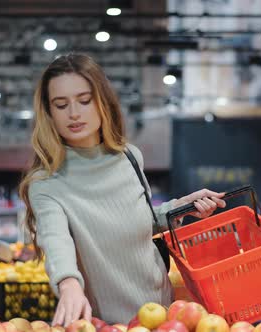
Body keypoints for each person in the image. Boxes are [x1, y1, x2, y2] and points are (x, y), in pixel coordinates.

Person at [18, 53, 226, 327]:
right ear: (49, 113)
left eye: (84, 100)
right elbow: (56, 241)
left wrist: (182, 207)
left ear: (103, 101)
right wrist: (68, 284)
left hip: (164, 318)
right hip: (109, 325)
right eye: (61, 104)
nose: (74, 113)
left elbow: (141, 222)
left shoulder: (129, 157)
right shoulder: (46, 182)